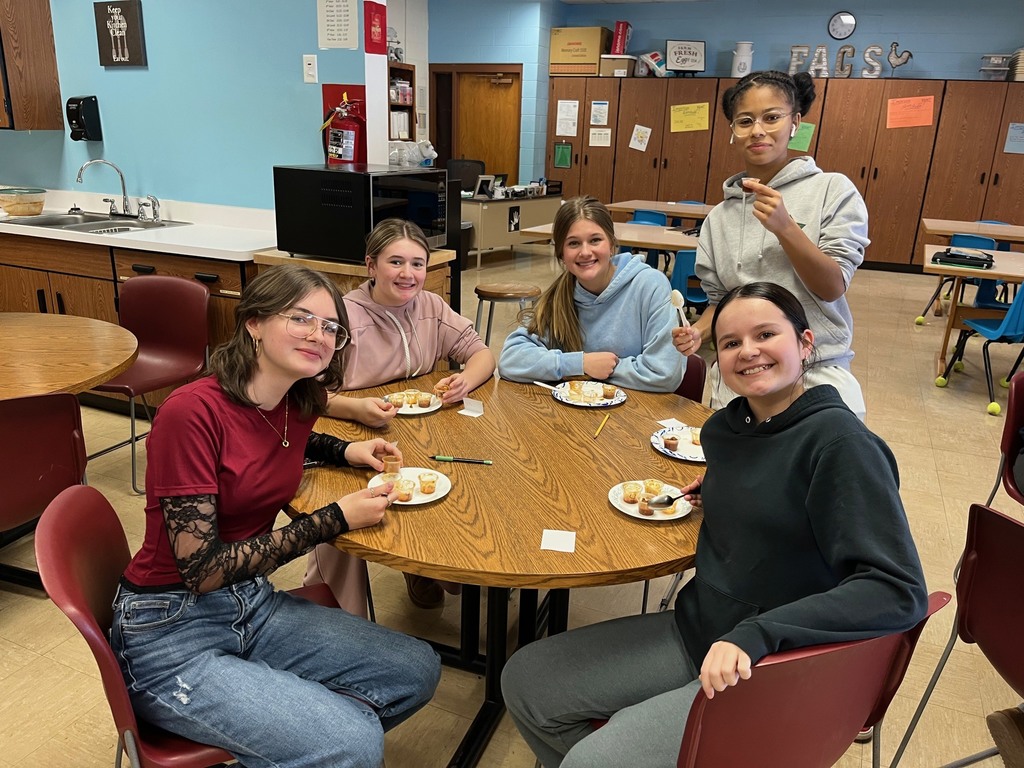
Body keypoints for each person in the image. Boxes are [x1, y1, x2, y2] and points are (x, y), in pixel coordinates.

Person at [501, 282, 927, 768]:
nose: (748, 352)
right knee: (526, 683)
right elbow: (771, 491)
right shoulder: (727, 429)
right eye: (730, 343)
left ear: (806, 344)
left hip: (770, 663)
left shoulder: (840, 444)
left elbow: (897, 589)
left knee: (593, 760)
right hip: (697, 630)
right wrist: (725, 491)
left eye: (765, 334)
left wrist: (759, 634)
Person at [111, 264, 441, 768]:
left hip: (251, 604)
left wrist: (344, 450)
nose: (318, 336)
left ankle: (293, 742)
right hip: (171, 631)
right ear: (254, 323)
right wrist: (333, 520)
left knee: (416, 669)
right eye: (301, 319)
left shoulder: (296, 397)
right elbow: (203, 571)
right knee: (353, 743)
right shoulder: (191, 414)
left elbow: (288, 438)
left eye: (331, 327)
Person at [304, 218, 496, 612]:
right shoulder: (343, 315)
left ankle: (436, 566)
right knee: (339, 512)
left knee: (467, 484)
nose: (408, 274)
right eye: (396, 262)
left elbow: (481, 353)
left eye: (418, 264)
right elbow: (306, 390)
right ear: (371, 265)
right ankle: (336, 618)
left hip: (424, 430)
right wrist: (355, 407)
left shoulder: (431, 306)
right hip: (346, 432)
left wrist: (465, 381)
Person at [673, 70, 870, 419]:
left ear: (794, 122)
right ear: (733, 131)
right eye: (745, 121)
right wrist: (698, 331)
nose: (758, 130)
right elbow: (722, 302)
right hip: (741, 375)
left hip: (815, 373)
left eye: (772, 117)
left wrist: (786, 228)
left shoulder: (832, 190)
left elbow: (832, 286)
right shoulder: (720, 216)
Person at [499, 196, 684, 393]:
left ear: (612, 245)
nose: (585, 252)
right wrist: (581, 363)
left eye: (595, 240)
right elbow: (510, 360)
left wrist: (606, 368)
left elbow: (665, 373)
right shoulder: (558, 299)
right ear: (561, 254)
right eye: (573, 243)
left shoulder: (650, 286)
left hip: (638, 411)